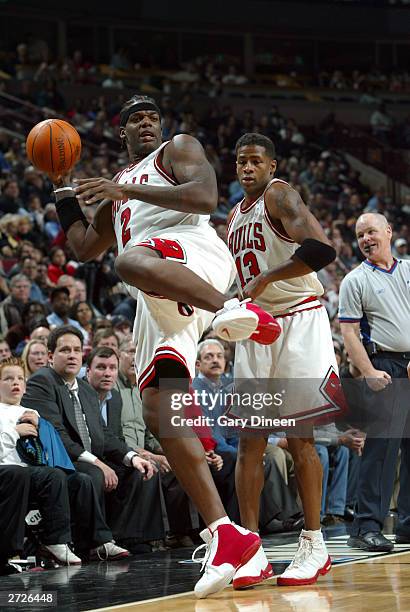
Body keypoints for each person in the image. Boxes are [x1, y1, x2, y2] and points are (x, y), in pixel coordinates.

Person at [51, 95, 280, 598]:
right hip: (158, 298)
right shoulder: (118, 194)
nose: (148, 123)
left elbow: (204, 199)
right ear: (122, 132)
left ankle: (227, 309)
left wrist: (124, 188)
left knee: (129, 261)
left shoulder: (177, 150)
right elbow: (85, 248)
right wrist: (62, 189)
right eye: (137, 118)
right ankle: (231, 537)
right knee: (159, 411)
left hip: (194, 259)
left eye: (153, 116)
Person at [225, 133, 343, 588]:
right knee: (250, 441)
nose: (247, 167)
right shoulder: (234, 215)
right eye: (240, 161)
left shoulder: (280, 194)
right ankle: (251, 549)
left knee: (300, 438)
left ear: (273, 166)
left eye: (255, 160)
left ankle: (314, 543)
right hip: (256, 328)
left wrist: (267, 279)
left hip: (298, 320)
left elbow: (320, 250)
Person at [22, 325, 165, 553]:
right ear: (50, 356)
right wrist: (98, 462)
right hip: (61, 460)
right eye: (65, 350)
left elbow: (104, 435)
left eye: (77, 350)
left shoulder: (86, 390)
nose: (72, 355)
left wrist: (131, 457)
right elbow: (56, 436)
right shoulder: (43, 382)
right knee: (93, 474)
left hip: (90, 457)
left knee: (141, 471)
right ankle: (97, 542)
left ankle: (131, 539)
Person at [0, 357, 123, 567]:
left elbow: (56, 451)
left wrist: (42, 426)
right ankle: (54, 541)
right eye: (8, 379)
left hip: (35, 474)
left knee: (81, 480)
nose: (16, 383)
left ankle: (96, 543)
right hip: (9, 473)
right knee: (52, 475)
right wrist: (14, 432)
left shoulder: (32, 413)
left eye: (20, 378)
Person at [338, 212, 410, 552]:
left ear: (388, 232)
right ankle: (365, 526)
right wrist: (367, 371)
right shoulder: (355, 279)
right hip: (383, 366)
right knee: (381, 450)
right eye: (360, 234)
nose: (366, 238)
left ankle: (408, 525)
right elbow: (349, 332)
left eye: (371, 231)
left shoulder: (409, 269)